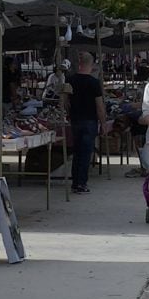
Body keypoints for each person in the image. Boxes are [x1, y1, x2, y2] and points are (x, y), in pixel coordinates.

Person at [64, 52, 108, 195]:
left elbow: (65, 102)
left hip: (75, 120)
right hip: (89, 121)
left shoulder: (70, 80)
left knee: (77, 152)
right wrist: (103, 123)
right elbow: (100, 106)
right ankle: (81, 183)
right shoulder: (94, 83)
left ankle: (75, 182)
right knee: (85, 153)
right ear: (92, 64)